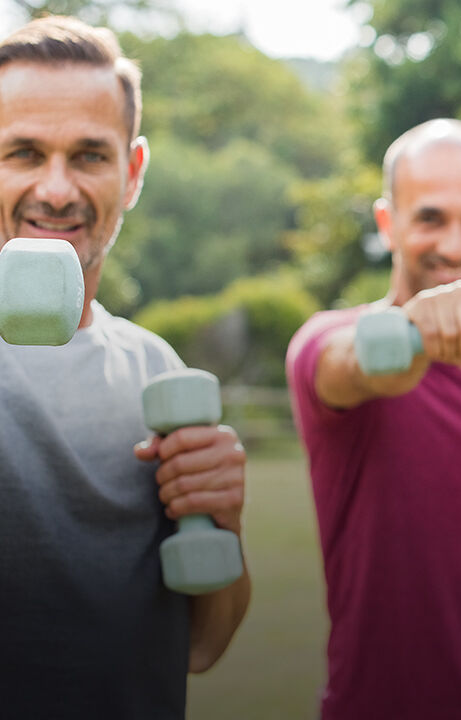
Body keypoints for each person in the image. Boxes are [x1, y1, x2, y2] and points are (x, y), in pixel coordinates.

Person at [0, 16, 250, 719]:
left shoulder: (158, 373)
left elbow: (204, 646)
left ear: (131, 172)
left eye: (88, 155)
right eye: (22, 152)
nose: (56, 189)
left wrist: (223, 520)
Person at [286, 119, 461, 719]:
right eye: (431, 218)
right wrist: (415, 328)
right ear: (389, 224)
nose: (456, 244)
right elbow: (354, 365)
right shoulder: (326, 340)